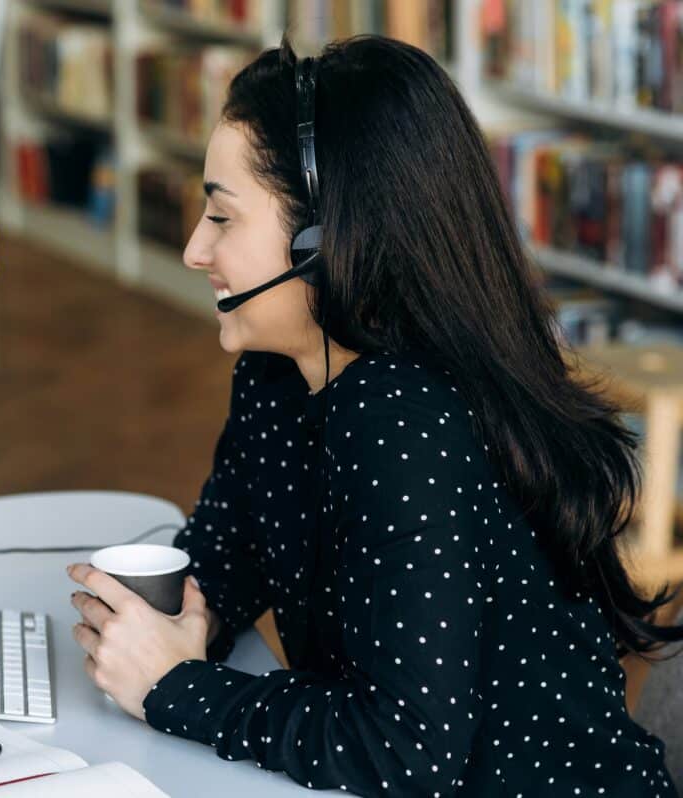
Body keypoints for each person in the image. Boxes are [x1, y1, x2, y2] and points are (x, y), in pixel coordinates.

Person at [65, 37, 681, 797]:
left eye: (223, 219)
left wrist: (174, 686)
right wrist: (191, 622)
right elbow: (228, 554)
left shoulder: (401, 418)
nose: (196, 249)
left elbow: (406, 752)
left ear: (325, 244)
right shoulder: (277, 373)